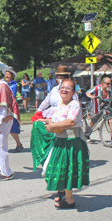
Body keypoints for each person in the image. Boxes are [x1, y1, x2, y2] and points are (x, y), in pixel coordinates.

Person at [38, 79, 89, 209]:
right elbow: (59, 120)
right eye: (62, 87)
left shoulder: (74, 105)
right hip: (61, 139)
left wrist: (53, 126)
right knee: (56, 168)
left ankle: (69, 199)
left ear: (73, 92)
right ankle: (63, 193)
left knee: (67, 169)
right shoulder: (61, 104)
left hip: (71, 141)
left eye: (68, 88)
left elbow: (70, 122)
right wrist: (45, 121)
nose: (64, 90)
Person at [31, 66, 71, 173]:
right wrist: (38, 110)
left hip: (63, 116)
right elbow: (46, 101)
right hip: (52, 115)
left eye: (62, 77)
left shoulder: (70, 90)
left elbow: (73, 105)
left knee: (57, 139)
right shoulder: (54, 89)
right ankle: (46, 158)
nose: (60, 79)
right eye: (58, 77)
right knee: (38, 127)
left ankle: (54, 161)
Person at [4, 68, 23, 152]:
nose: (7, 75)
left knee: (12, 127)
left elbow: (12, 95)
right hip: (3, 107)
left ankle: (19, 144)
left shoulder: (13, 84)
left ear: (12, 76)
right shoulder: (3, 84)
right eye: (6, 74)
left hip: (11, 107)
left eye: (8, 74)